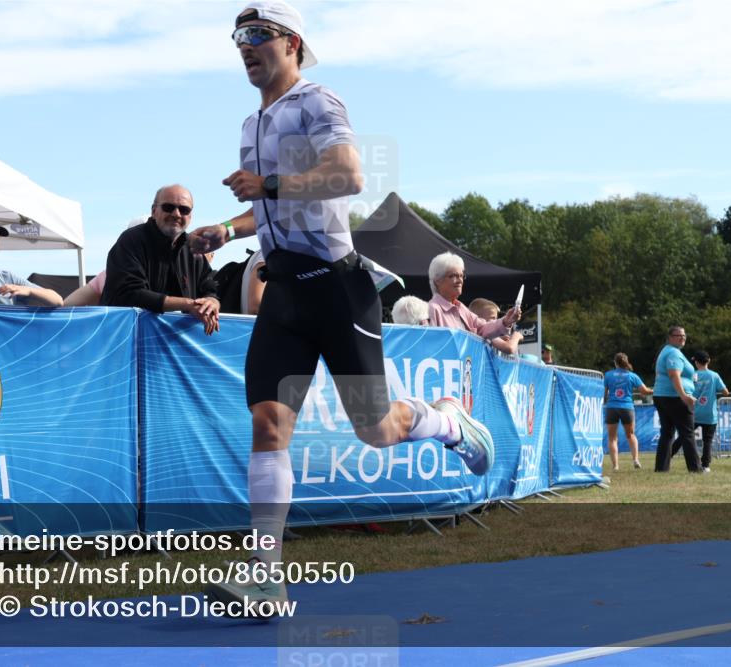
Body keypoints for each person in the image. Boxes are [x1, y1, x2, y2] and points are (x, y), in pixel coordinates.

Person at [188, 0, 495, 616]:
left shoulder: (318, 101)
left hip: (337, 285)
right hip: (286, 293)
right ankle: (265, 576)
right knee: (269, 424)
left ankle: (447, 422)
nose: (245, 46)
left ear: (293, 43)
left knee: (375, 431)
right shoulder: (251, 126)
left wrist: (269, 185)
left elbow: (350, 175)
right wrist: (228, 227)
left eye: (258, 34)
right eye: (237, 37)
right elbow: (266, 207)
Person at [100, 185, 220, 335]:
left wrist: (211, 302)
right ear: (153, 210)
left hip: (175, 347)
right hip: (126, 341)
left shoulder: (193, 249)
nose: (176, 214)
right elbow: (129, 294)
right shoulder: (131, 241)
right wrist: (190, 304)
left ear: (190, 216)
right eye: (169, 207)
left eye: (184, 210)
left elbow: (210, 287)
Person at [427, 252, 520, 336]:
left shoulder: (461, 308)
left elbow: (482, 327)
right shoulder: (432, 309)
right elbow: (430, 345)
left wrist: (506, 321)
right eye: (453, 276)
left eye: (461, 276)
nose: (460, 280)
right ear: (437, 281)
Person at [652, 325, 701, 473]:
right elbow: (674, 375)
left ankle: (661, 468)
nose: (683, 338)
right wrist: (684, 396)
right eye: (679, 335)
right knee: (687, 433)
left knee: (667, 433)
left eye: (684, 335)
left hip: (662, 396)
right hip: (674, 398)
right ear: (669, 337)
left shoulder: (667, 351)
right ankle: (695, 469)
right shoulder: (673, 353)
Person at [671, 350, 729, 472]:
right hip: (710, 414)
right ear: (709, 361)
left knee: (683, 436)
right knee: (707, 441)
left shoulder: (693, 375)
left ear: (696, 363)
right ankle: (706, 466)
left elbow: (686, 390)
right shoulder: (714, 375)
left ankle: (668, 456)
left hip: (693, 412)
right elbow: (725, 392)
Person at [603, 352, 653, 471]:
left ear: (615, 362)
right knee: (630, 435)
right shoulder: (632, 376)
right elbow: (644, 391)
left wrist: (606, 401)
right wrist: (654, 390)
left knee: (612, 438)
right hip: (627, 407)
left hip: (612, 407)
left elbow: (604, 394)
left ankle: (615, 466)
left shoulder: (608, 375)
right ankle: (635, 459)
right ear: (626, 362)